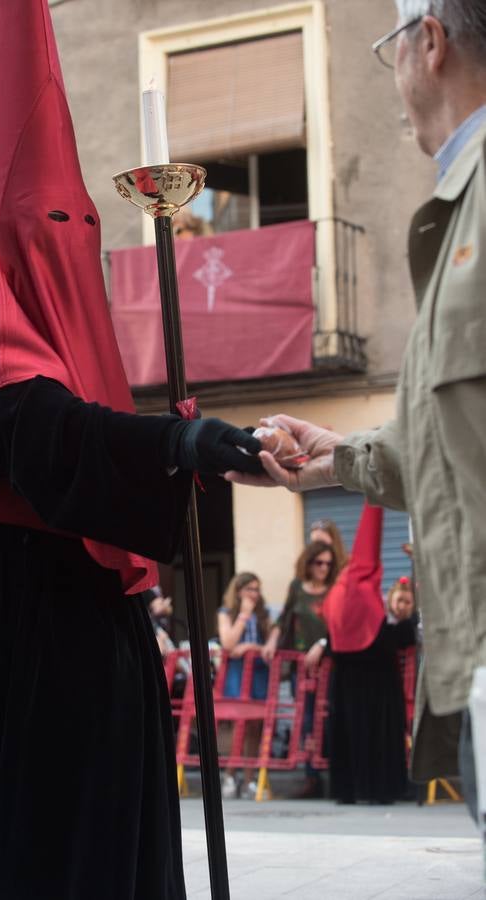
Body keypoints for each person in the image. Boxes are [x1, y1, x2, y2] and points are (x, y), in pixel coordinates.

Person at [0, 2, 264, 898]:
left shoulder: (38, 329)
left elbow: (86, 443)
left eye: (80, 222)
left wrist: (173, 439)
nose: (71, 240)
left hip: (52, 634)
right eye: (52, 220)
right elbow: (54, 440)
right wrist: (186, 441)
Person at [227, 0, 486, 823]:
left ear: (430, 44)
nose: (394, 77)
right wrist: (335, 457)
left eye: (388, 49)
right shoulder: (459, 204)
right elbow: (445, 448)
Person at [318, 503, 416, 804]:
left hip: (347, 679)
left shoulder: (337, 592)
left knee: (350, 731)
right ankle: (379, 788)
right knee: (378, 731)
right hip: (377, 681)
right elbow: (393, 636)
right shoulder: (359, 589)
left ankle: (349, 789)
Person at [263, 541, 338, 798]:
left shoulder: (335, 589)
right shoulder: (297, 587)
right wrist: (272, 641)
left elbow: (338, 624)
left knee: (327, 717)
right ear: (309, 562)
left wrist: (322, 644)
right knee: (306, 718)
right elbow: (283, 618)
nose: (324, 568)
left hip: (329, 663)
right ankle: (312, 778)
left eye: (329, 564)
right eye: (319, 563)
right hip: (300, 665)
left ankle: (333, 774)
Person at [217, 572, 270, 799]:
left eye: (257, 589)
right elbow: (228, 642)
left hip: (258, 671)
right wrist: (244, 616)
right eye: (249, 589)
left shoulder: (264, 614)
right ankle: (229, 774)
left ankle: (249, 779)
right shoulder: (226, 612)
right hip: (237, 672)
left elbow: (269, 644)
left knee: (255, 726)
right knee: (239, 722)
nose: (254, 594)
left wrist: (250, 646)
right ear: (238, 591)